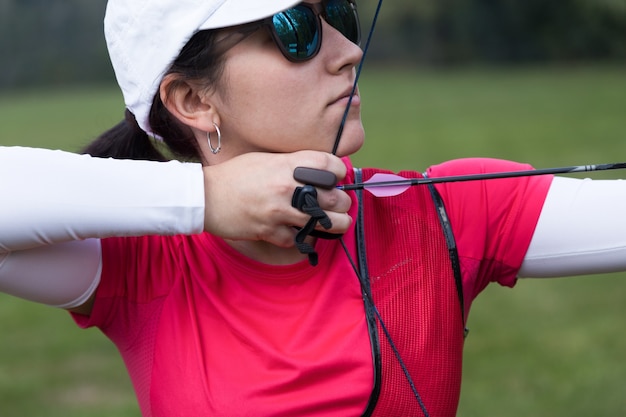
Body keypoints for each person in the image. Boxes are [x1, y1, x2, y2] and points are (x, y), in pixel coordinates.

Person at [1, 0, 626, 415]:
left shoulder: (446, 214)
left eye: (341, 15)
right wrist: (208, 198)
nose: (348, 51)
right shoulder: (143, 262)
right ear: (192, 99)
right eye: (295, 29)